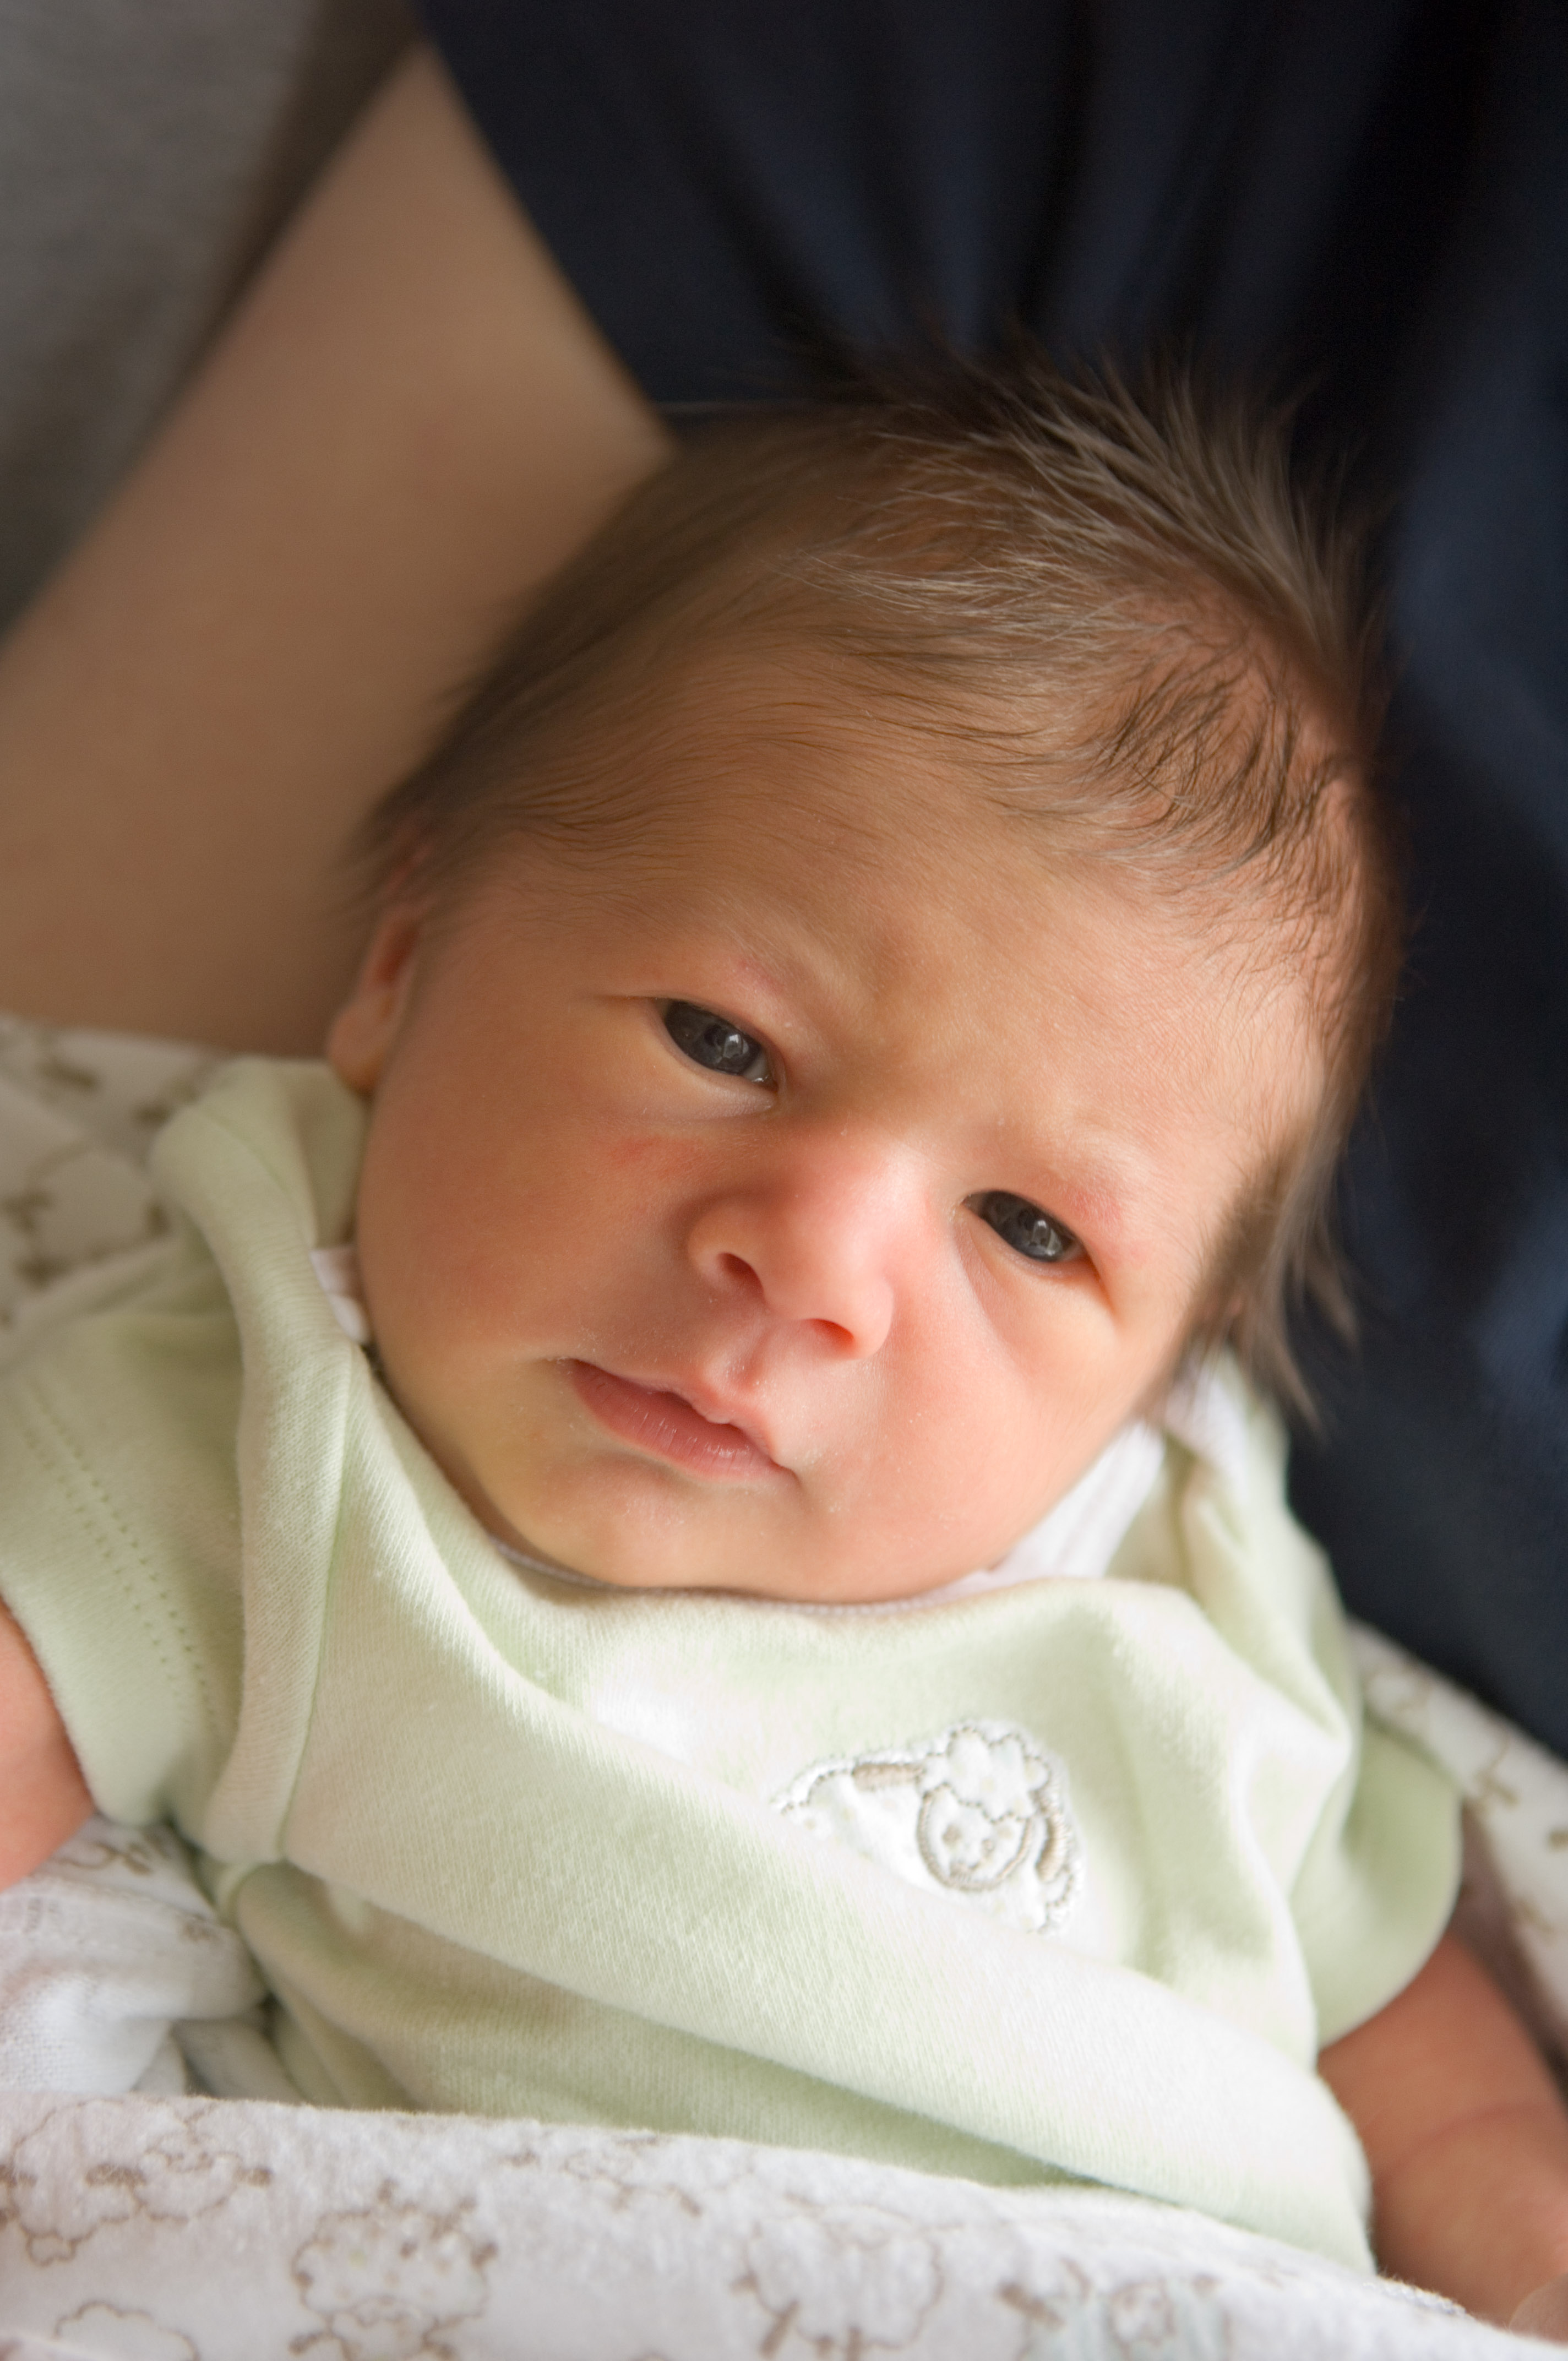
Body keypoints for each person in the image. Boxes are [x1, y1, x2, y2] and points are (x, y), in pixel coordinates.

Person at [0, 355, 1563, 2336]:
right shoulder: (272, 1423)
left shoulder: (1170, 1551)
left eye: (1029, 1230)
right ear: (402, 965)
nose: (816, 1266)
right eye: (723, 1043)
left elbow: (1415, 2047)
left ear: (1166, 1371)